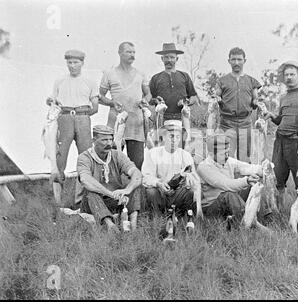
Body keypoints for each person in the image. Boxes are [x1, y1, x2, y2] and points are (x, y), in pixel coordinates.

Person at [46, 49, 99, 207]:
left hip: (83, 118)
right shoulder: (60, 81)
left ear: (82, 63)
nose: (72, 65)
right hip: (64, 118)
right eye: (69, 62)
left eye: (76, 62)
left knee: (85, 159)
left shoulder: (89, 82)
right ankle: (57, 202)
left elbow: (95, 107)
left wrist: (81, 115)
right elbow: (53, 102)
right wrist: (50, 102)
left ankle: (82, 202)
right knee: (59, 159)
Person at [264, 60, 298, 196]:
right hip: (280, 142)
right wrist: (271, 115)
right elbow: (280, 120)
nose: (289, 77)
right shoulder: (283, 97)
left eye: (292, 74)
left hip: (297, 142)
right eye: (286, 75)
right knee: (278, 178)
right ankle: (278, 212)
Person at [77, 125, 143, 233]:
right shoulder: (84, 157)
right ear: (94, 140)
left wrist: (127, 190)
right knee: (91, 192)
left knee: (135, 185)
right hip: (94, 202)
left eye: (110, 139)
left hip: (115, 199)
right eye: (104, 140)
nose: (109, 143)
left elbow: (136, 174)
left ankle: (133, 224)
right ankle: (110, 225)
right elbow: (86, 180)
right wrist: (109, 193)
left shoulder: (117, 155)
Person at [99, 42, 152, 170]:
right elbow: (100, 96)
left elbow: (149, 94)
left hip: (136, 126)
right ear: (120, 53)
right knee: (112, 163)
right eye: (128, 52)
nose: (132, 55)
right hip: (116, 125)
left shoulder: (140, 74)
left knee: (137, 164)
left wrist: (145, 100)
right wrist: (112, 102)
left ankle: (134, 189)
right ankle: (114, 189)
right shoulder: (109, 73)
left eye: (134, 52)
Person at [196, 134, 263, 226]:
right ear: (211, 154)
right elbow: (227, 184)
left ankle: (267, 216)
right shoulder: (203, 167)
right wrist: (246, 180)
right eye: (223, 154)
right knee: (229, 194)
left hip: (228, 202)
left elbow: (246, 167)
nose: (227, 156)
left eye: (228, 152)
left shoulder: (228, 161)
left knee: (255, 185)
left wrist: (264, 170)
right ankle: (250, 223)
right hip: (211, 208)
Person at [213, 47, 263, 163]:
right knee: (225, 158)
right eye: (233, 59)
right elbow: (216, 97)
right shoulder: (222, 81)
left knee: (245, 158)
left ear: (244, 61)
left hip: (245, 123)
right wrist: (217, 99)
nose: (236, 63)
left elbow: (255, 100)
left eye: (239, 59)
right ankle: (226, 181)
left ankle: (244, 181)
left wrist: (256, 102)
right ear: (229, 61)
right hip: (227, 124)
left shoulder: (252, 81)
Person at [141, 120, 196, 216]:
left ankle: (182, 215)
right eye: (171, 136)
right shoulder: (153, 153)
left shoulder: (185, 155)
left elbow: (193, 178)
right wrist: (159, 183)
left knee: (190, 192)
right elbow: (146, 177)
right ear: (164, 137)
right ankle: (156, 215)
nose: (174, 140)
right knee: (151, 191)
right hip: (160, 193)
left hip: (177, 193)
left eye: (178, 137)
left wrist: (186, 182)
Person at [149, 43, 199, 145]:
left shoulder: (184, 76)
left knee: (182, 150)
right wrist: (156, 101)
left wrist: (186, 102)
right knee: (162, 150)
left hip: (182, 119)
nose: (169, 60)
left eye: (172, 57)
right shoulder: (155, 78)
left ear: (177, 59)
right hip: (162, 119)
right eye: (166, 57)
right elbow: (149, 99)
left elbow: (194, 97)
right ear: (162, 59)